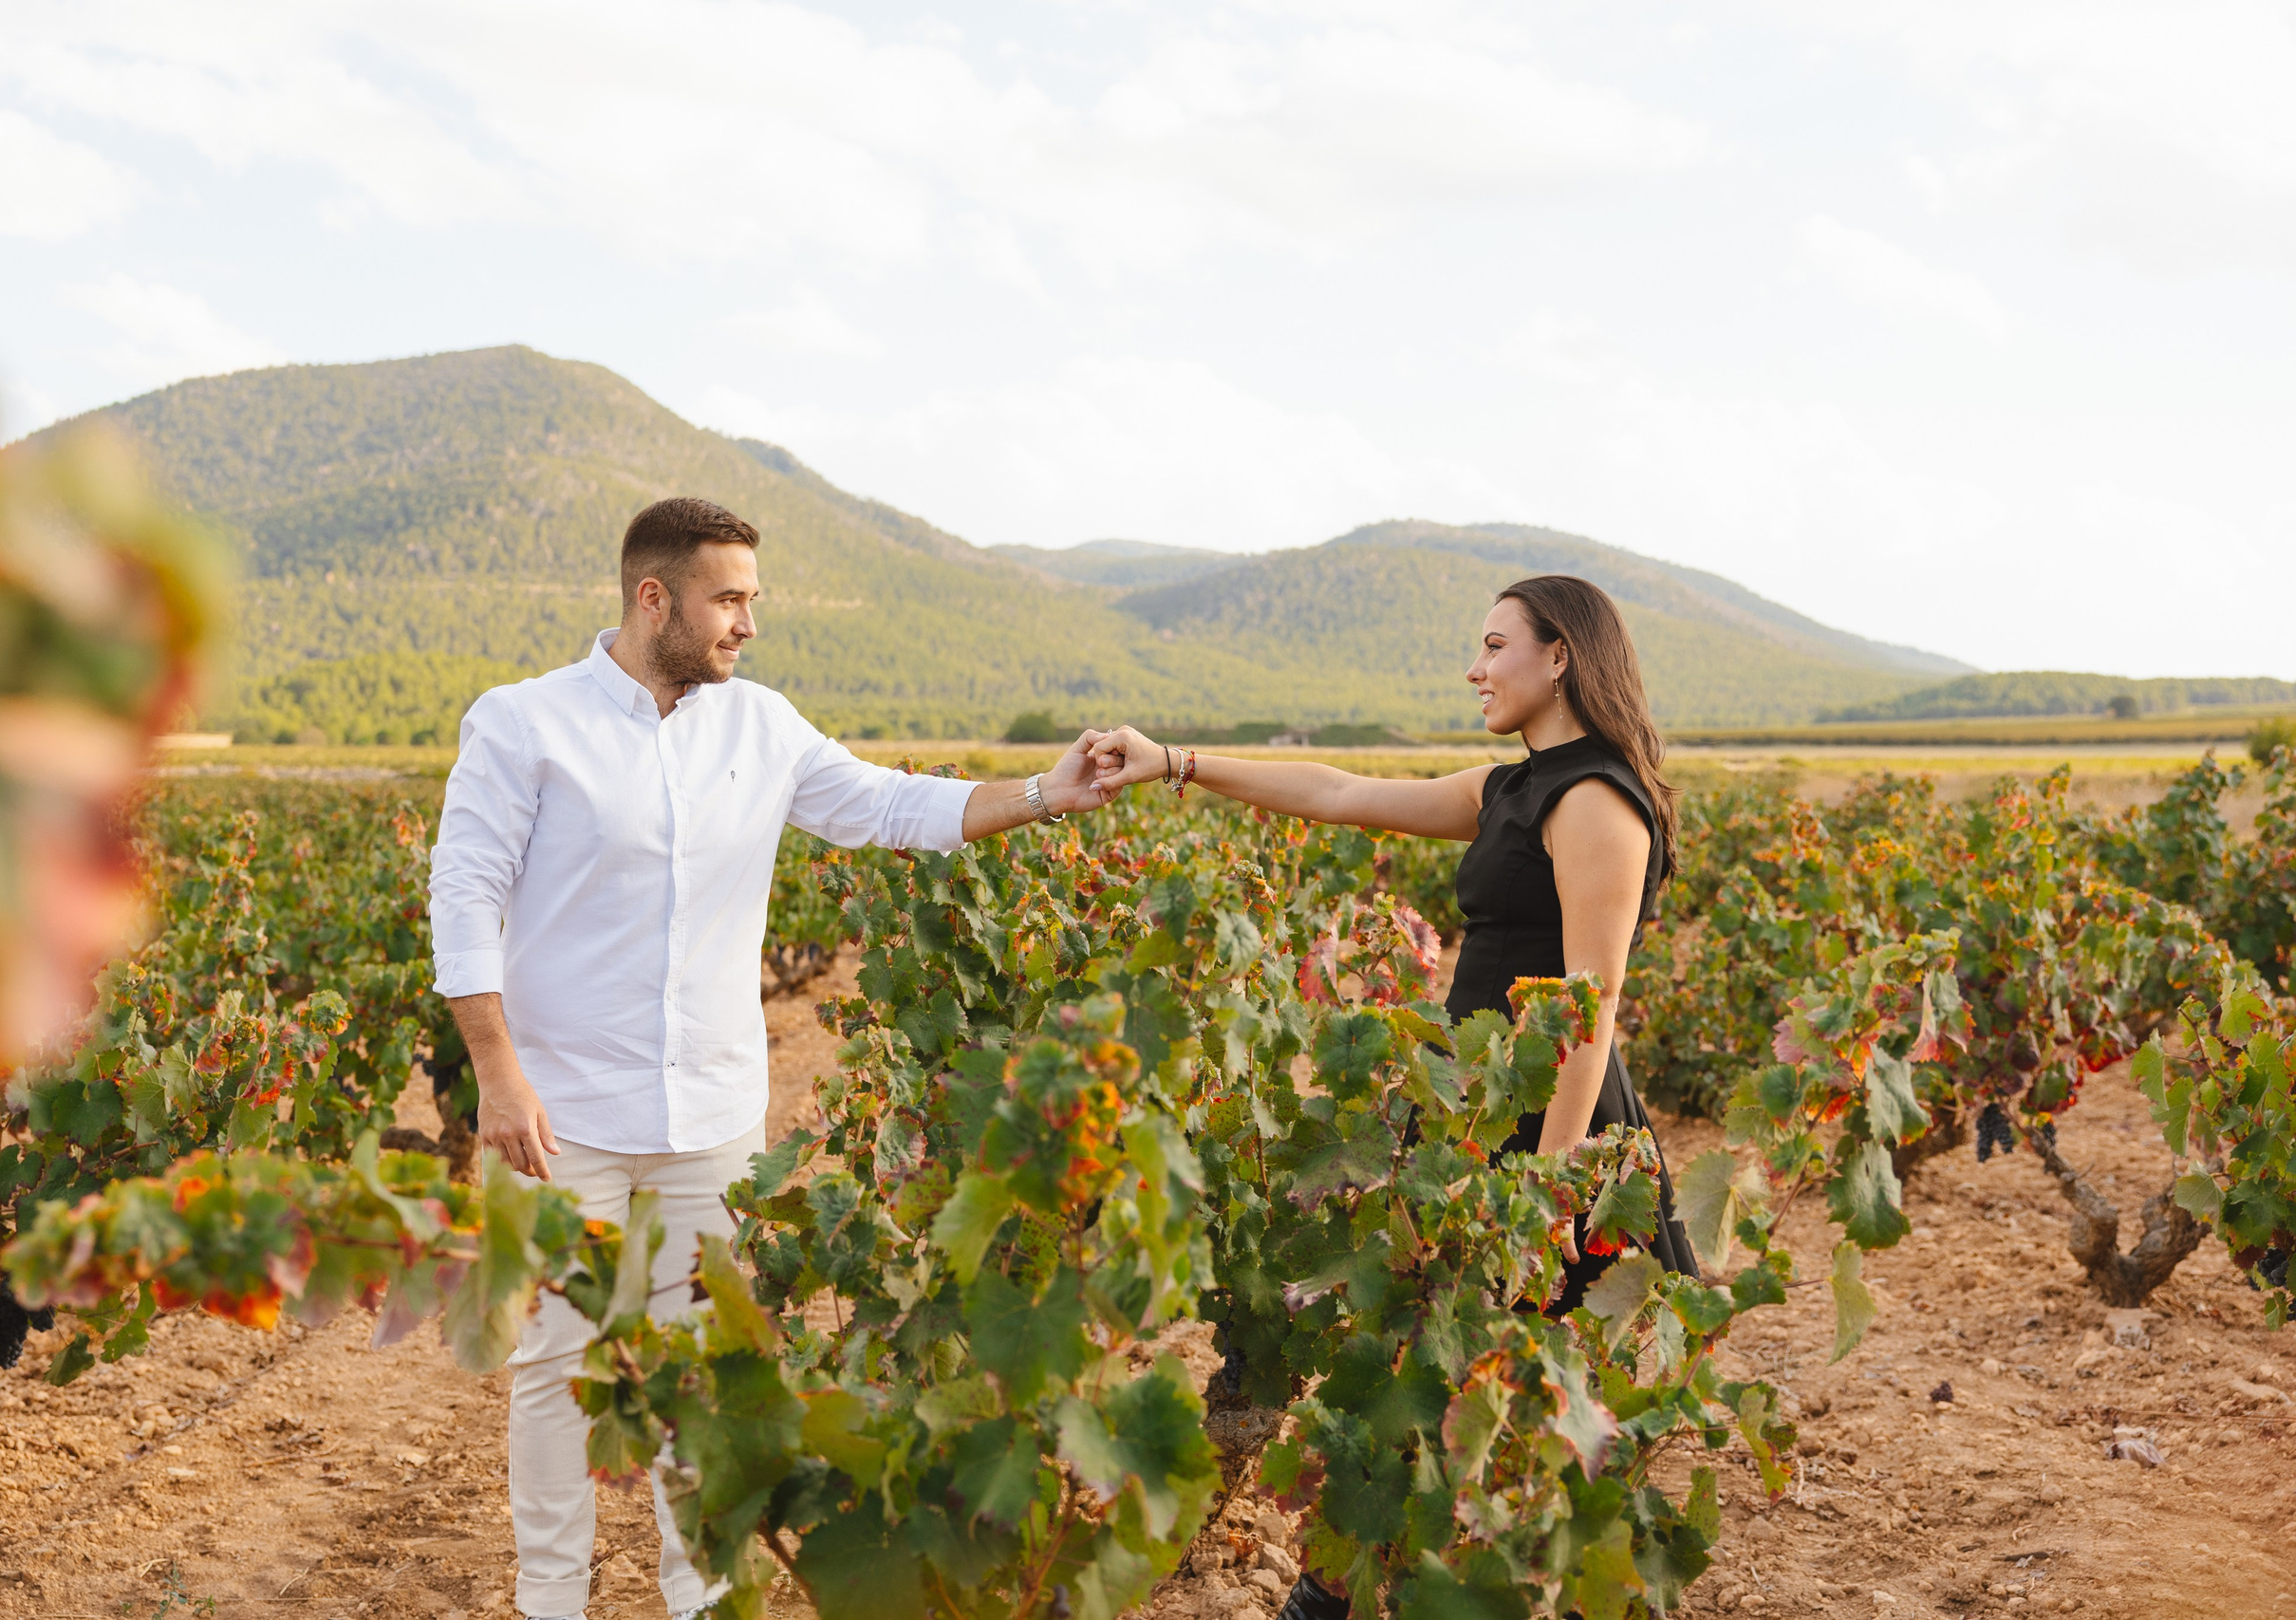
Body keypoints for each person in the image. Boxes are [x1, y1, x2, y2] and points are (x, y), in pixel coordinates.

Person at [428, 496, 1106, 1620]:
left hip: (713, 1123)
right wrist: (496, 1071)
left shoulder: (764, 726)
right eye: (729, 599)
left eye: (751, 599)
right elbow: (465, 894)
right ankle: (552, 1605)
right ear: (657, 598)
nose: (747, 623)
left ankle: (701, 1604)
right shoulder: (520, 722)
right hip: (561, 1118)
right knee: (554, 1374)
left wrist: (1045, 794)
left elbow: (891, 807)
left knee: (707, 1385)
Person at [1086, 572, 1697, 1294]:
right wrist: (1175, 762)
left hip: (1546, 1118)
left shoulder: (1595, 798)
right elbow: (1338, 792)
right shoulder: (1507, 788)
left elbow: (1590, 1003)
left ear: (1559, 657)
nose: (1475, 669)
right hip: (1479, 1096)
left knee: (1545, 1370)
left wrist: (1553, 1182)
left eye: (1495, 646)